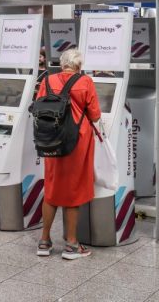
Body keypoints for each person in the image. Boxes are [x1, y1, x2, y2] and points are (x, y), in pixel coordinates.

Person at [35, 48, 101, 260]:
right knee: (73, 189)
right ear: (79, 66)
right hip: (76, 142)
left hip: (50, 140)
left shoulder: (46, 81)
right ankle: (71, 245)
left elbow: (38, 107)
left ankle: (44, 242)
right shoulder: (85, 82)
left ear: (61, 63)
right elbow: (95, 114)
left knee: (52, 188)